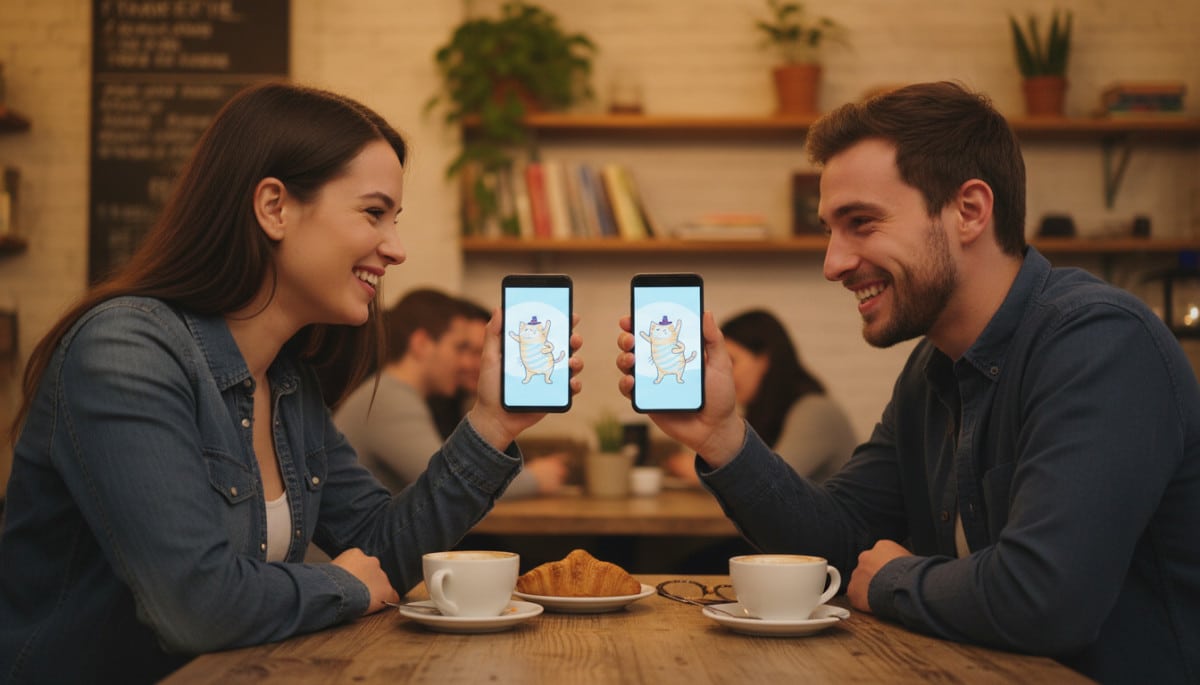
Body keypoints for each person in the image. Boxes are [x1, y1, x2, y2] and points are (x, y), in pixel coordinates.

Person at [615, 81, 1200, 683]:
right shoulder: (930, 369)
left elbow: (1045, 599)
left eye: (861, 223)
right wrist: (721, 436)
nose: (833, 263)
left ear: (969, 210)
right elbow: (837, 550)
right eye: (829, 231)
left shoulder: (1100, 342)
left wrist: (894, 578)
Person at [0, 81, 582, 683]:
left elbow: (381, 551)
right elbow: (196, 607)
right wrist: (343, 585)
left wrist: (491, 425)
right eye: (373, 212)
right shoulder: (126, 351)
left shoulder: (285, 380)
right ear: (274, 207)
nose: (397, 249)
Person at [335, 289, 566, 497]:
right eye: (460, 348)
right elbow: (451, 482)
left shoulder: (394, 394)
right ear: (421, 344)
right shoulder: (390, 400)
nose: (466, 362)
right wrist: (536, 479)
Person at [664, 309, 856, 484]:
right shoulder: (766, 412)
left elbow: (768, 485)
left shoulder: (816, 412)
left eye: (732, 361)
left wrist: (696, 470)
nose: (725, 372)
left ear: (764, 359)